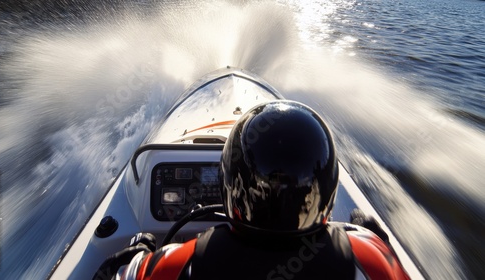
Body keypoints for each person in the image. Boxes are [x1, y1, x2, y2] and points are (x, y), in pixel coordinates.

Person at [94, 100, 409, 280]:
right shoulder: (371, 259)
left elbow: (117, 275)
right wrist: (375, 240)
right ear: (327, 188)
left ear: (228, 186)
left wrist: (139, 253)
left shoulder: (178, 264)